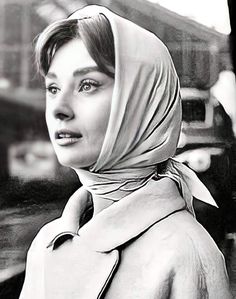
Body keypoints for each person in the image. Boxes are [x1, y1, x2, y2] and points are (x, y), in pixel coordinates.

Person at [19, 5, 232, 298]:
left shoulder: (186, 253)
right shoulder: (45, 245)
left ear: (141, 103)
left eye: (87, 85)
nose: (59, 109)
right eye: (53, 88)